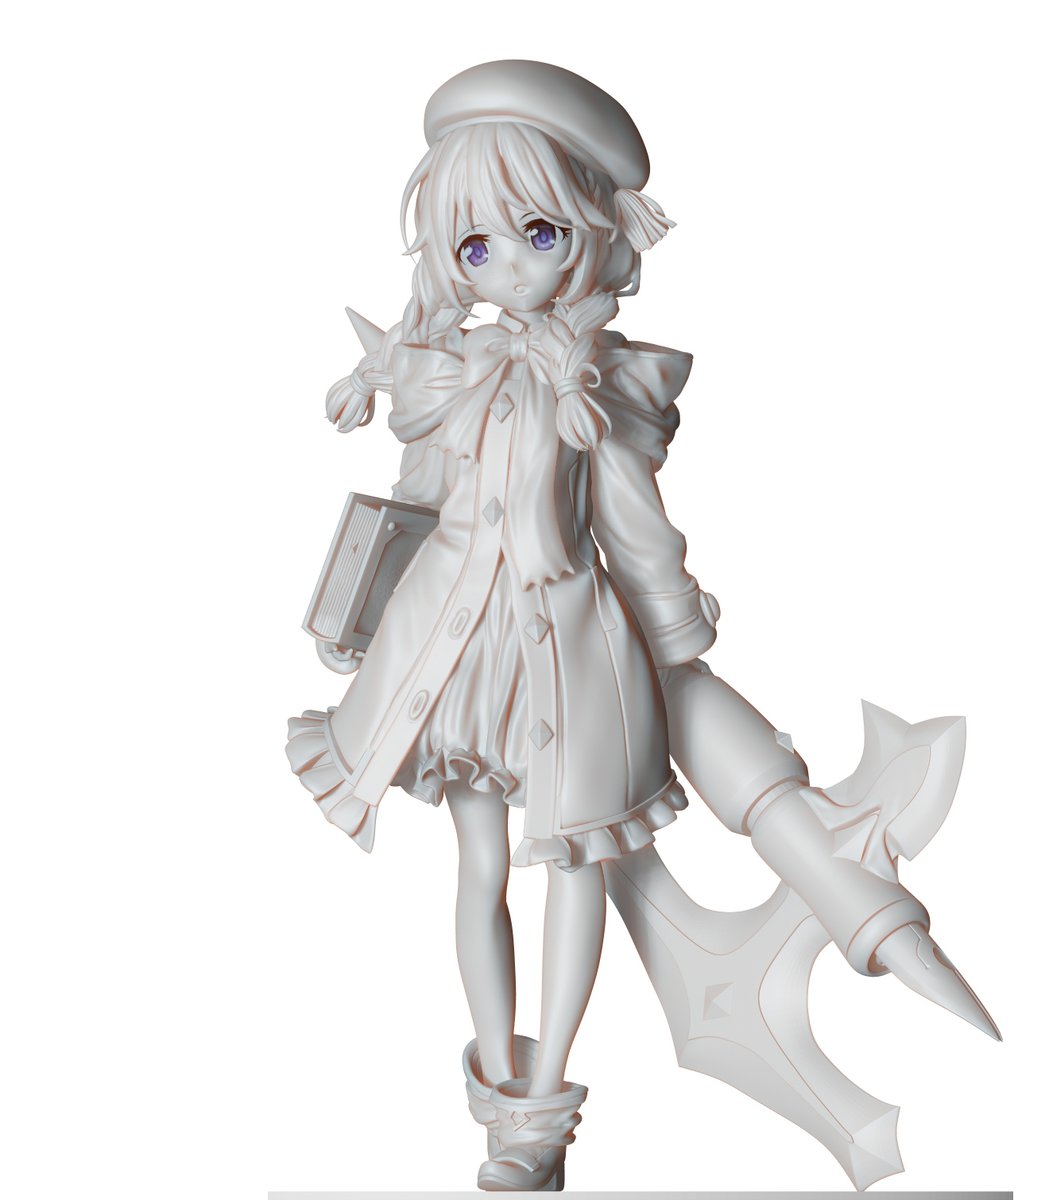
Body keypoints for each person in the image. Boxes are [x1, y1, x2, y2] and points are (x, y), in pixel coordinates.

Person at [286, 59, 717, 1191]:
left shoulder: (604, 384)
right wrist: (356, 615)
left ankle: (543, 1109)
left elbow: (633, 522)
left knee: (573, 866)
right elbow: (418, 502)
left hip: (571, 653)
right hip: (455, 647)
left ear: (593, 227)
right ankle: (498, 1101)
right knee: (478, 861)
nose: (511, 267)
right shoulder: (457, 372)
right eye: (477, 246)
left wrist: (678, 635)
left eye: (539, 232)